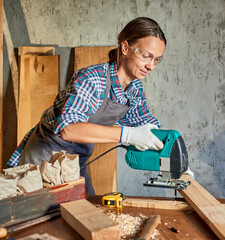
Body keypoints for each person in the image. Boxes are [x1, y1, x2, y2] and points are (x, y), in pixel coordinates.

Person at [7, 17, 167, 195]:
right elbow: (69, 130)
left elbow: (148, 128)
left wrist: (172, 154)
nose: (151, 65)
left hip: (75, 162)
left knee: (87, 213)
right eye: (146, 56)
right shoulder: (92, 79)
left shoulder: (134, 89)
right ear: (125, 48)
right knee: (43, 219)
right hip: (44, 159)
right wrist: (127, 135)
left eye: (156, 59)